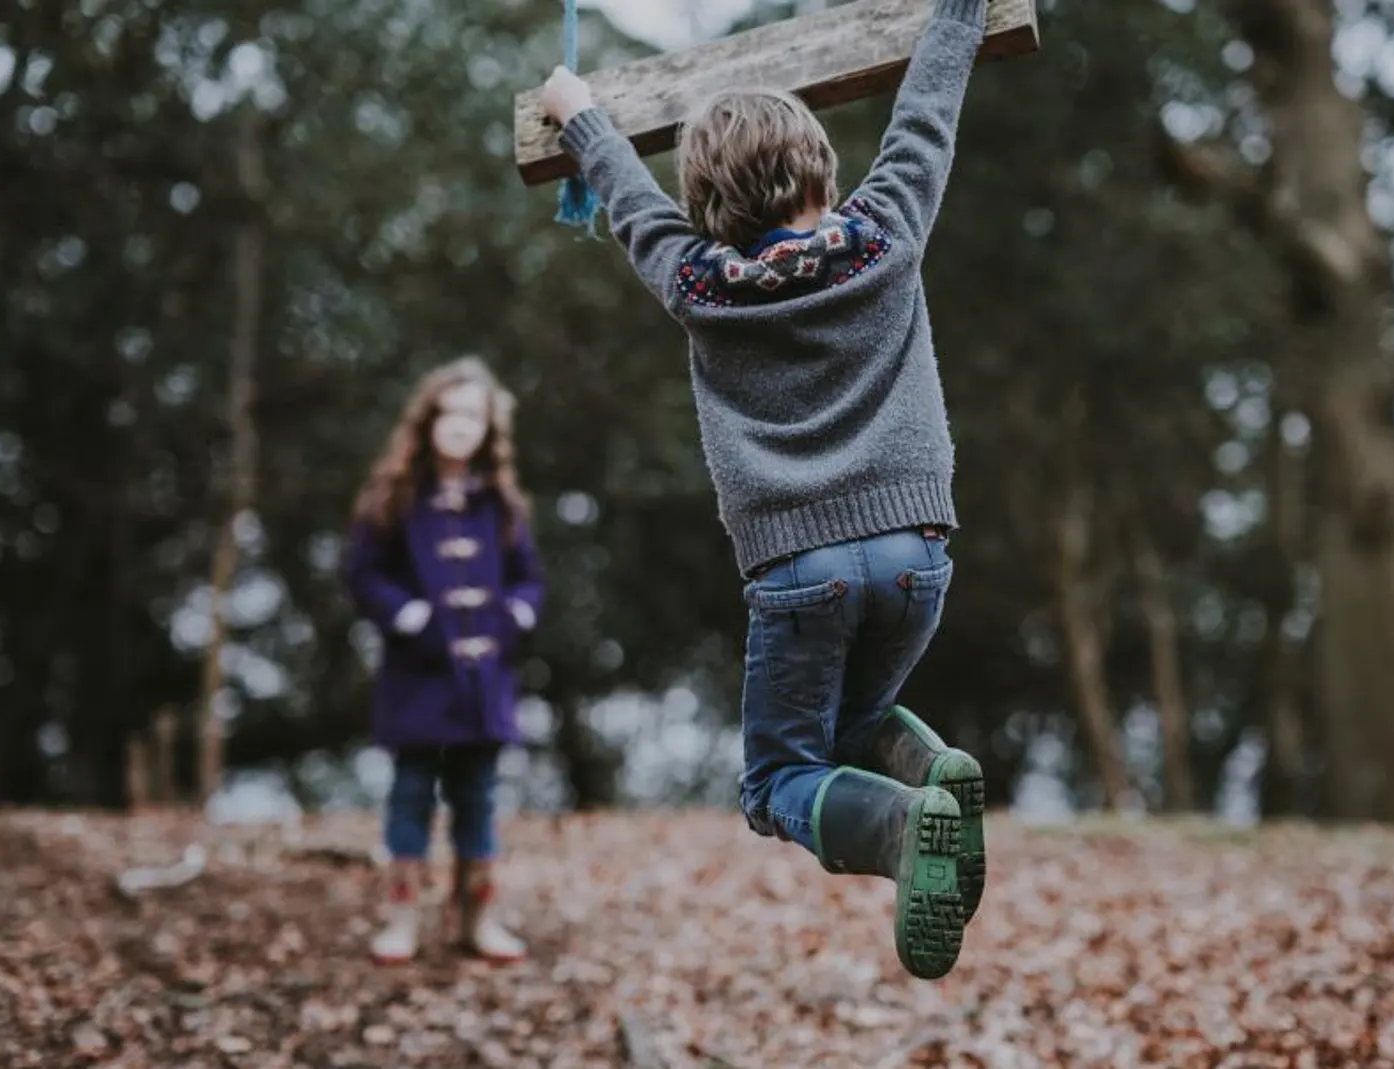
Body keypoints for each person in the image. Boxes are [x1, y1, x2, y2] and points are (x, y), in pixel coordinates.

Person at [538, 0, 991, 980]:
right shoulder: (889, 231)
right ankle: (933, 775)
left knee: (777, 777)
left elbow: (627, 199)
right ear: (822, 166)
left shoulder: (701, 285)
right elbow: (927, 112)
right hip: (917, 554)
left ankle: (913, 825)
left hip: (799, 570)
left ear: (710, 203)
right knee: (853, 722)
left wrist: (581, 115)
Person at [343, 356, 545, 965]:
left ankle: (477, 920)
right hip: (417, 680)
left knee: (479, 798)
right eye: (450, 413)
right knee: (410, 795)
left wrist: (513, 617)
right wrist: (410, 617)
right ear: (427, 421)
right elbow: (361, 573)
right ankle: (401, 920)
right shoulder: (394, 497)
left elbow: (528, 580)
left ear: (489, 429)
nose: (461, 426)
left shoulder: (502, 504)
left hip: (484, 684)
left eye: (474, 416)